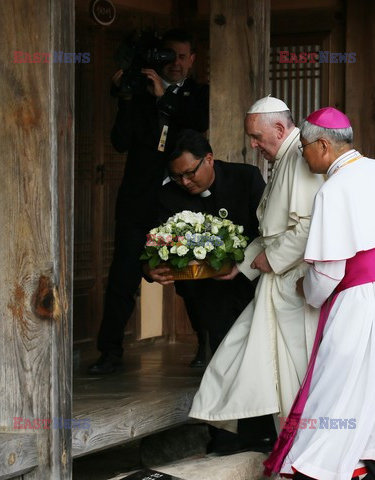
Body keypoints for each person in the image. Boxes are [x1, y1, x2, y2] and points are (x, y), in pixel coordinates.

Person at [264, 107, 375, 480]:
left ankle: (321, 466)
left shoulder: (335, 188)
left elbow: (328, 272)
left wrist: (305, 292)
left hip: (358, 299)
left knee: (336, 383)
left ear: (323, 145)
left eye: (304, 148)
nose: (302, 155)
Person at [189, 96, 324, 433]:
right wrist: (243, 265)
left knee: (290, 372)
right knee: (245, 356)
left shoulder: (300, 156)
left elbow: (309, 225)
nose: (252, 145)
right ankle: (274, 445)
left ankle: (294, 454)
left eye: (256, 137)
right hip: (273, 282)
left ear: (279, 128)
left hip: (292, 284)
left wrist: (270, 259)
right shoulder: (285, 156)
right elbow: (271, 231)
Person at [145, 129, 276, 453]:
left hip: (254, 285)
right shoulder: (168, 196)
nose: (185, 182)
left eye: (190, 173)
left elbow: (269, 229)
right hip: (207, 293)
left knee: (257, 359)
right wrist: (149, 269)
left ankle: (262, 433)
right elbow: (153, 242)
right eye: (177, 177)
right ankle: (227, 438)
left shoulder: (245, 178)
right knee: (222, 357)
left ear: (209, 159)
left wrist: (243, 264)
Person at [89, 29, 209, 374]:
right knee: (122, 278)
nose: (176, 63)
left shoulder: (198, 95)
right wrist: (126, 99)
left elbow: (191, 135)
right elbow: (120, 142)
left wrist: (164, 101)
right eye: (170, 56)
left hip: (177, 201)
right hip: (138, 201)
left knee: (189, 277)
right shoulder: (139, 94)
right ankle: (110, 351)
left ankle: (205, 340)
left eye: (184, 57)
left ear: (192, 60)